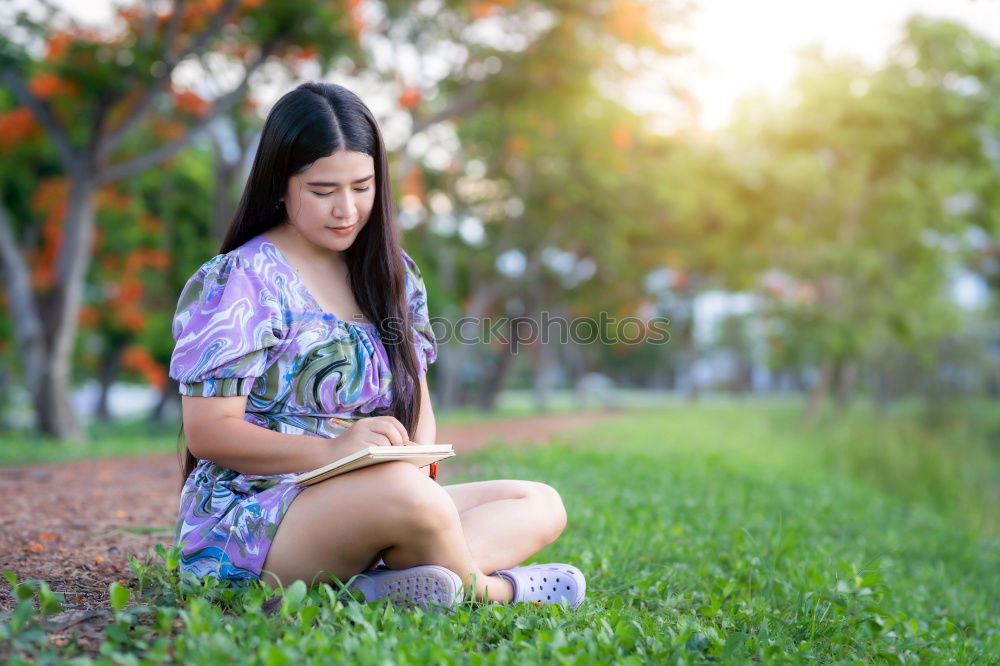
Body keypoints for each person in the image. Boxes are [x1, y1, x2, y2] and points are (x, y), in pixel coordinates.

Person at [168, 82, 586, 609]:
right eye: (323, 191)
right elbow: (209, 432)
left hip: (381, 492)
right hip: (256, 517)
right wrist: (334, 451)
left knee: (537, 501)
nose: (346, 209)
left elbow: (419, 406)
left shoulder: (392, 275)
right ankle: (492, 590)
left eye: (362, 187)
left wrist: (411, 461)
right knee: (412, 499)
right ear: (280, 185)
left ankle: (378, 585)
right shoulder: (243, 279)